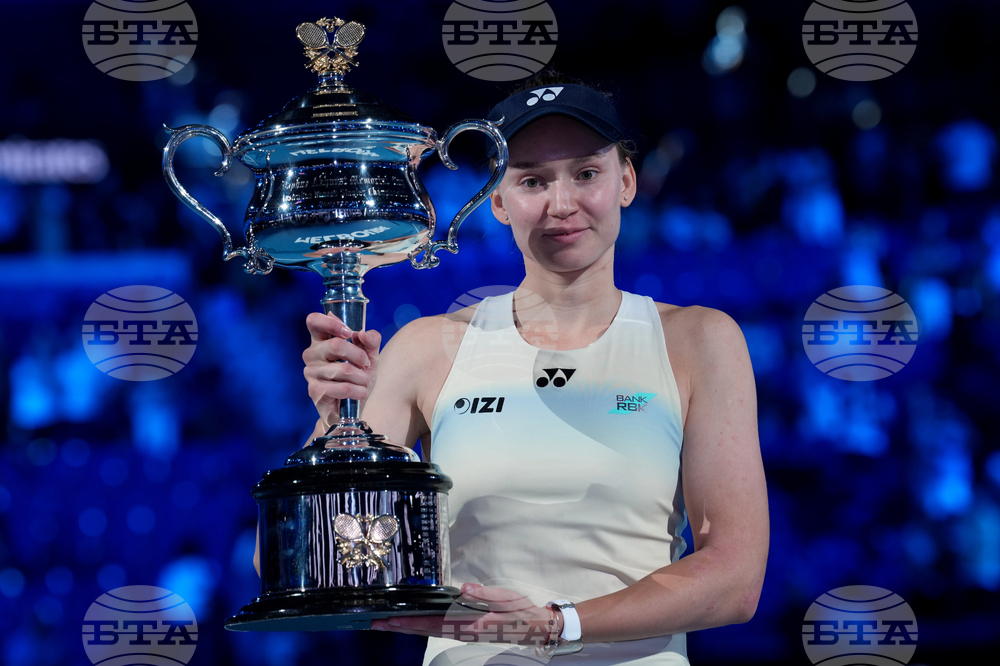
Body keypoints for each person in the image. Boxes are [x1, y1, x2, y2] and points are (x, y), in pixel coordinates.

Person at [297, 71, 769, 665]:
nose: (562, 204)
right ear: (497, 200)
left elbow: (735, 577)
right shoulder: (424, 350)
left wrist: (555, 625)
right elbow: (311, 562)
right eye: (532, 181)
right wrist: (331, 422)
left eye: (587, 173)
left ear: (626, 180)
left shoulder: (699, 341)